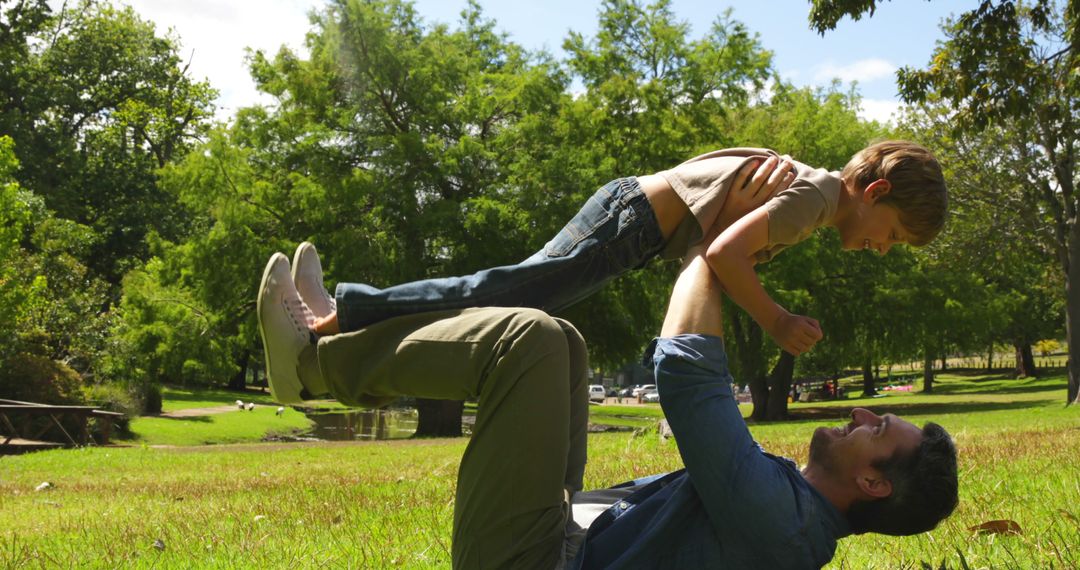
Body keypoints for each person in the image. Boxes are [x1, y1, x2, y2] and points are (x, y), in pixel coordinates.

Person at [256, 147, 958, 568]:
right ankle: (336, 325)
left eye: (877, 428)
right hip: (630, 230)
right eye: (891, 234)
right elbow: (718, 242)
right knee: (535, 320)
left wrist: (714, 242)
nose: (862, 411)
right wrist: (759, 300)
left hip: (542, 558)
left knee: (533, 330)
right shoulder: (812, 196)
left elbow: (692, 347)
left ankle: (324, 344)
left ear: (873, 484)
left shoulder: (785, 522)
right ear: (877, 191)